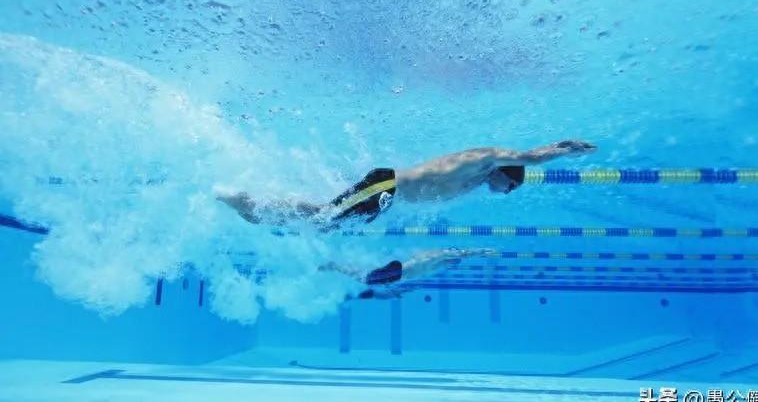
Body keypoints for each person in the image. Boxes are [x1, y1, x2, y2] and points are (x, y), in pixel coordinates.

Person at [218, 140, 596, 227]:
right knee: (325, 217)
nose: (507, 193)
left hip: (386, 197)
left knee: (327, 220)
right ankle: (250, 204)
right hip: (386, 186)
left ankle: (257, 207)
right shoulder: (481, 161)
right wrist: (561, 151)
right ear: (505, 174)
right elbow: (528, 157)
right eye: (512, 187)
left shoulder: (476, 180)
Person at [318, 248, 498, 300]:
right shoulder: (438, 256)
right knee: (365, 279)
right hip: (398, 271)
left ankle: (336, 266)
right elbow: (462, 253)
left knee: (367, 279)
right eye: (453, 262)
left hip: (398, 274)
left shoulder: (437, 264)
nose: (452, 265)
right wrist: (481, 252)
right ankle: (334, 266)